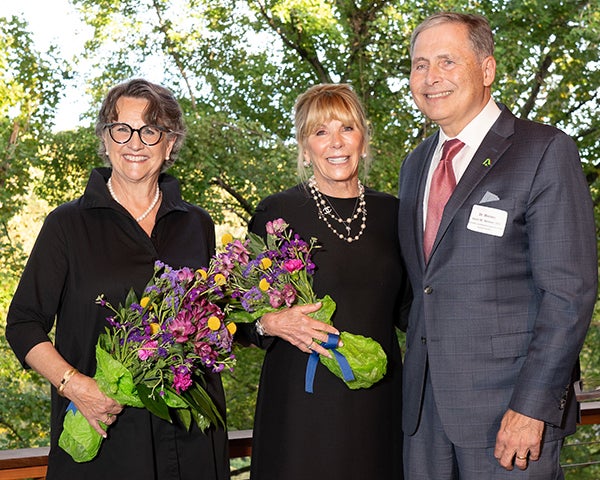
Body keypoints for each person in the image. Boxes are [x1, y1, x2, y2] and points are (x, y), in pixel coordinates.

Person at [397, 12, 597, 479]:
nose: (431, 78)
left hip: (508, 419)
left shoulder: (543, 151)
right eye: (419, 64)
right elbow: (421, 289)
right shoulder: (415, 165)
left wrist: (532, 407)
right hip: (424, 421)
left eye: (447, 61)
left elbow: (569, 295)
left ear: (486, 70)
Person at [5, 79, 229, 480]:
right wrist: (74, 385)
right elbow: (23, 324)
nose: (135, 142)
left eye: (150, 130)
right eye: (121, 129)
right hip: (103, 432)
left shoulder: (197, 224)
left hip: (191, 437)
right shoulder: (67, 225)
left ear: (170, 142)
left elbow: (217, 322)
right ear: (106, 139)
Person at [237, 83, 408, 479]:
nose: (336, 142)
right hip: (302, 405)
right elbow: (236, 317)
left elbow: (414, 309)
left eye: (346, 129)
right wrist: (269, 323)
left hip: (378, 400)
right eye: (320, 132)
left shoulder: (393, 213)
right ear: (304, 146)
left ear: (363, 140)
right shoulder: (277, 212)